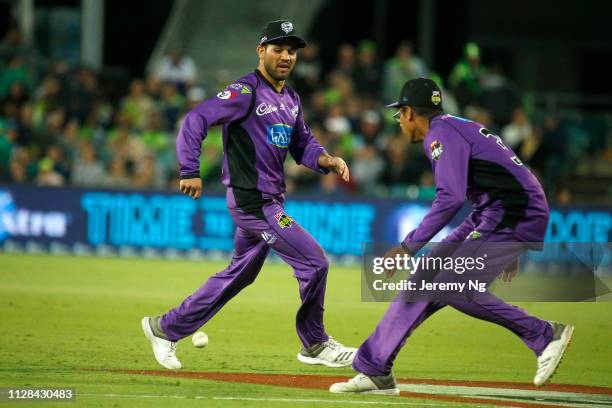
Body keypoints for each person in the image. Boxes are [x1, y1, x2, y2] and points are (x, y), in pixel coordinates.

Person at [330, 78, 574, 395]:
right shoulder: (452, 127)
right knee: (423, 278)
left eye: (399, 115)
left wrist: (408, 246)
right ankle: (375, 370)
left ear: (409, 113)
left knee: (454, 287)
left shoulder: (440, 135)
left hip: (511, 212)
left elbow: (449, 198)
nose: (399, 123)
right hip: (494, 211)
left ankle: (545, 335)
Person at [142, 20, 357, 370]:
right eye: (278, 48)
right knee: (315, 261)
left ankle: (164, 329)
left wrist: (327, 159)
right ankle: (315, 344)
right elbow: (196, 119)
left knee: (238, 274)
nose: (286, 56)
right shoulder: (246, 91)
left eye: (291, 50)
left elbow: (303, 144)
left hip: (270, 201)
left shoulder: (290, 98)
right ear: (261, 51)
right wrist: (189, 170)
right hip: (254, 204)